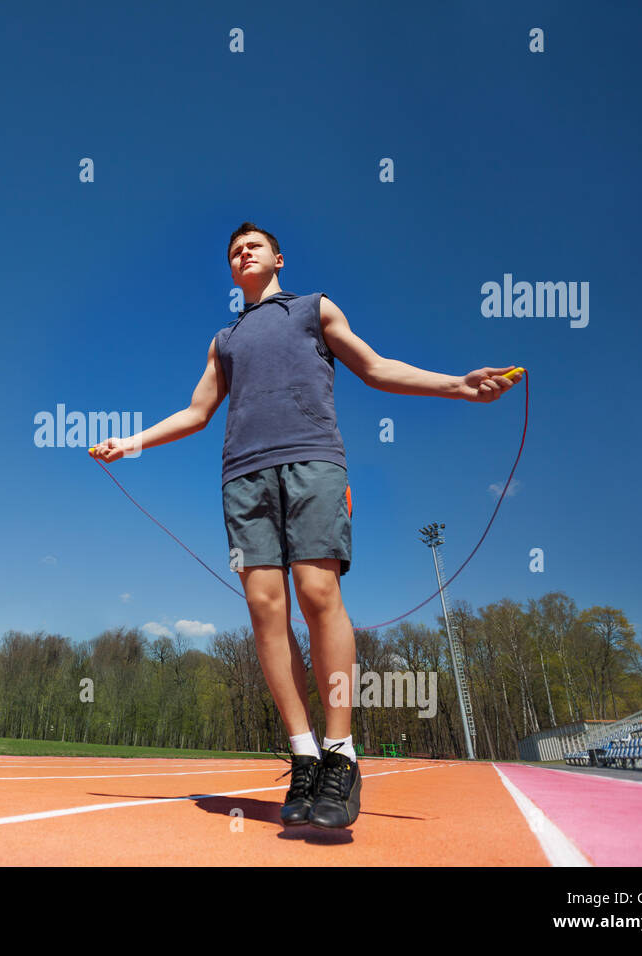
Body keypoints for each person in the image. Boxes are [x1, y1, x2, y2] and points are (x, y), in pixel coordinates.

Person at [90, 222, 520, 829]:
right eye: (234, 250)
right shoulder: (225, 339)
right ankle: (304, 754)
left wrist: (457, 385)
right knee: (265, 609)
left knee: (319, 593)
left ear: (278, 258)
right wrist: (129, 443)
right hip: (243, 476)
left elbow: (373, 367)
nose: (242, 252)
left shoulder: (313, 309)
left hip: (315, 462)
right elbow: (197, 411)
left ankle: (342, 752)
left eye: (254, 246)